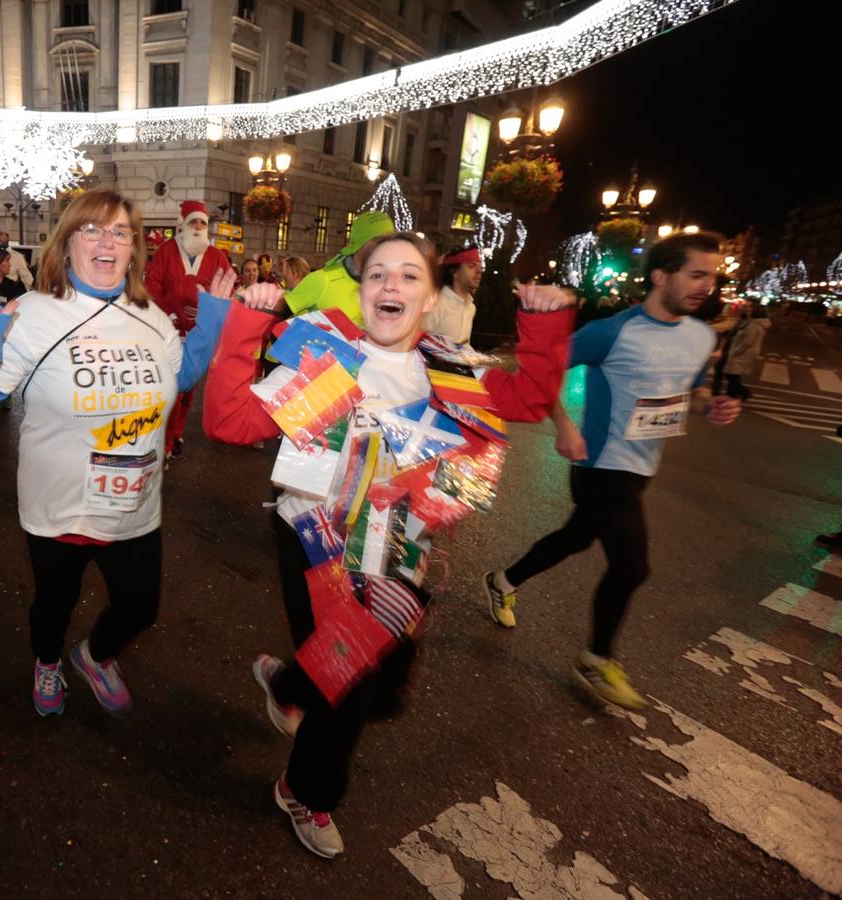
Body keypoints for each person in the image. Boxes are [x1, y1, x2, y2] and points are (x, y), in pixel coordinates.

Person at [204, 231, 575, 859]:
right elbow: (229, 421)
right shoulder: (330, 358)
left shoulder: (449, 367)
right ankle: (304, 792)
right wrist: (245, 325)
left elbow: (532, 400)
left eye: (408, 275)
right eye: (377, 273)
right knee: (348, 691)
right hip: (316, 539)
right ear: (361, 290)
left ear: (429, 297)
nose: (390, 285)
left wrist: (544, 325)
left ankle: (291, 684)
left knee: (386, 688)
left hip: (399, 546)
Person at [0, 188, 232, 719]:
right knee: (54, 604)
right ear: (67, 241)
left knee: (139, 609)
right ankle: (47, 661)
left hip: (133, 504)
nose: (107, 242)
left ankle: (94, 656)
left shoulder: (150, 316)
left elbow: (183, 375)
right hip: (60, 507)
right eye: (92, 229)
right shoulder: (32, 313)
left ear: (133, 248)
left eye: (120, 232)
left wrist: (212, 317)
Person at [484, 232, 742, 710]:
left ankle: (502, 580)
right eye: (696, 275)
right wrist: (564, 426)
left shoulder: (702, 336)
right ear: (661, 276)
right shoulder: (611, 331)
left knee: (577, 537)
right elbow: (541, 373)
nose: (707, 285)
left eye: (712, 276)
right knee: (631, 565)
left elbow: (695, 391)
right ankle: (596, 658)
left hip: (643, 466)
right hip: (601, 463)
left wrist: (712, 405)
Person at [144, 199, 233, 460]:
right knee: (171, 388)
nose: (197, 227)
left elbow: (226, 292)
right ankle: (166, 438)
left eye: (202, 223)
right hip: (167, 331)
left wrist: (208, 313)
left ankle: (175, 433)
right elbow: (152, 287)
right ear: (182, 224)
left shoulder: (217, 257)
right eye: (193, 222)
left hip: (199, 333)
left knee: (188, 390)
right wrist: (165, 314)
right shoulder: (166, 251)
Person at [284, 210, 395, 325]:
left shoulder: (387, 287)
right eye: (378, 241)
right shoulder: (323, 280)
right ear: (359, 243)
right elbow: (276, 319)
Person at [422, 244, 482, 345]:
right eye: (471, 266)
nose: (479, 271)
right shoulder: (435, 305)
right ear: (455, 272)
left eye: (480, 267)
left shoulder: (471, 308)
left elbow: (464, 346)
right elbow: (419, 345)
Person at [721, 304, 770, 400]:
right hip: (746, 352)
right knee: (734, 375)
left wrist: (735, 352)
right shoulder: (755, 323)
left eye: (750, 311)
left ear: (756, 312)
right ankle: (732, 395)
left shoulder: (754, 325)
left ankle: (742, 392)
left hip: (742, 353)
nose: (748, 312)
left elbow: (747, 342)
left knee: (732, 375)